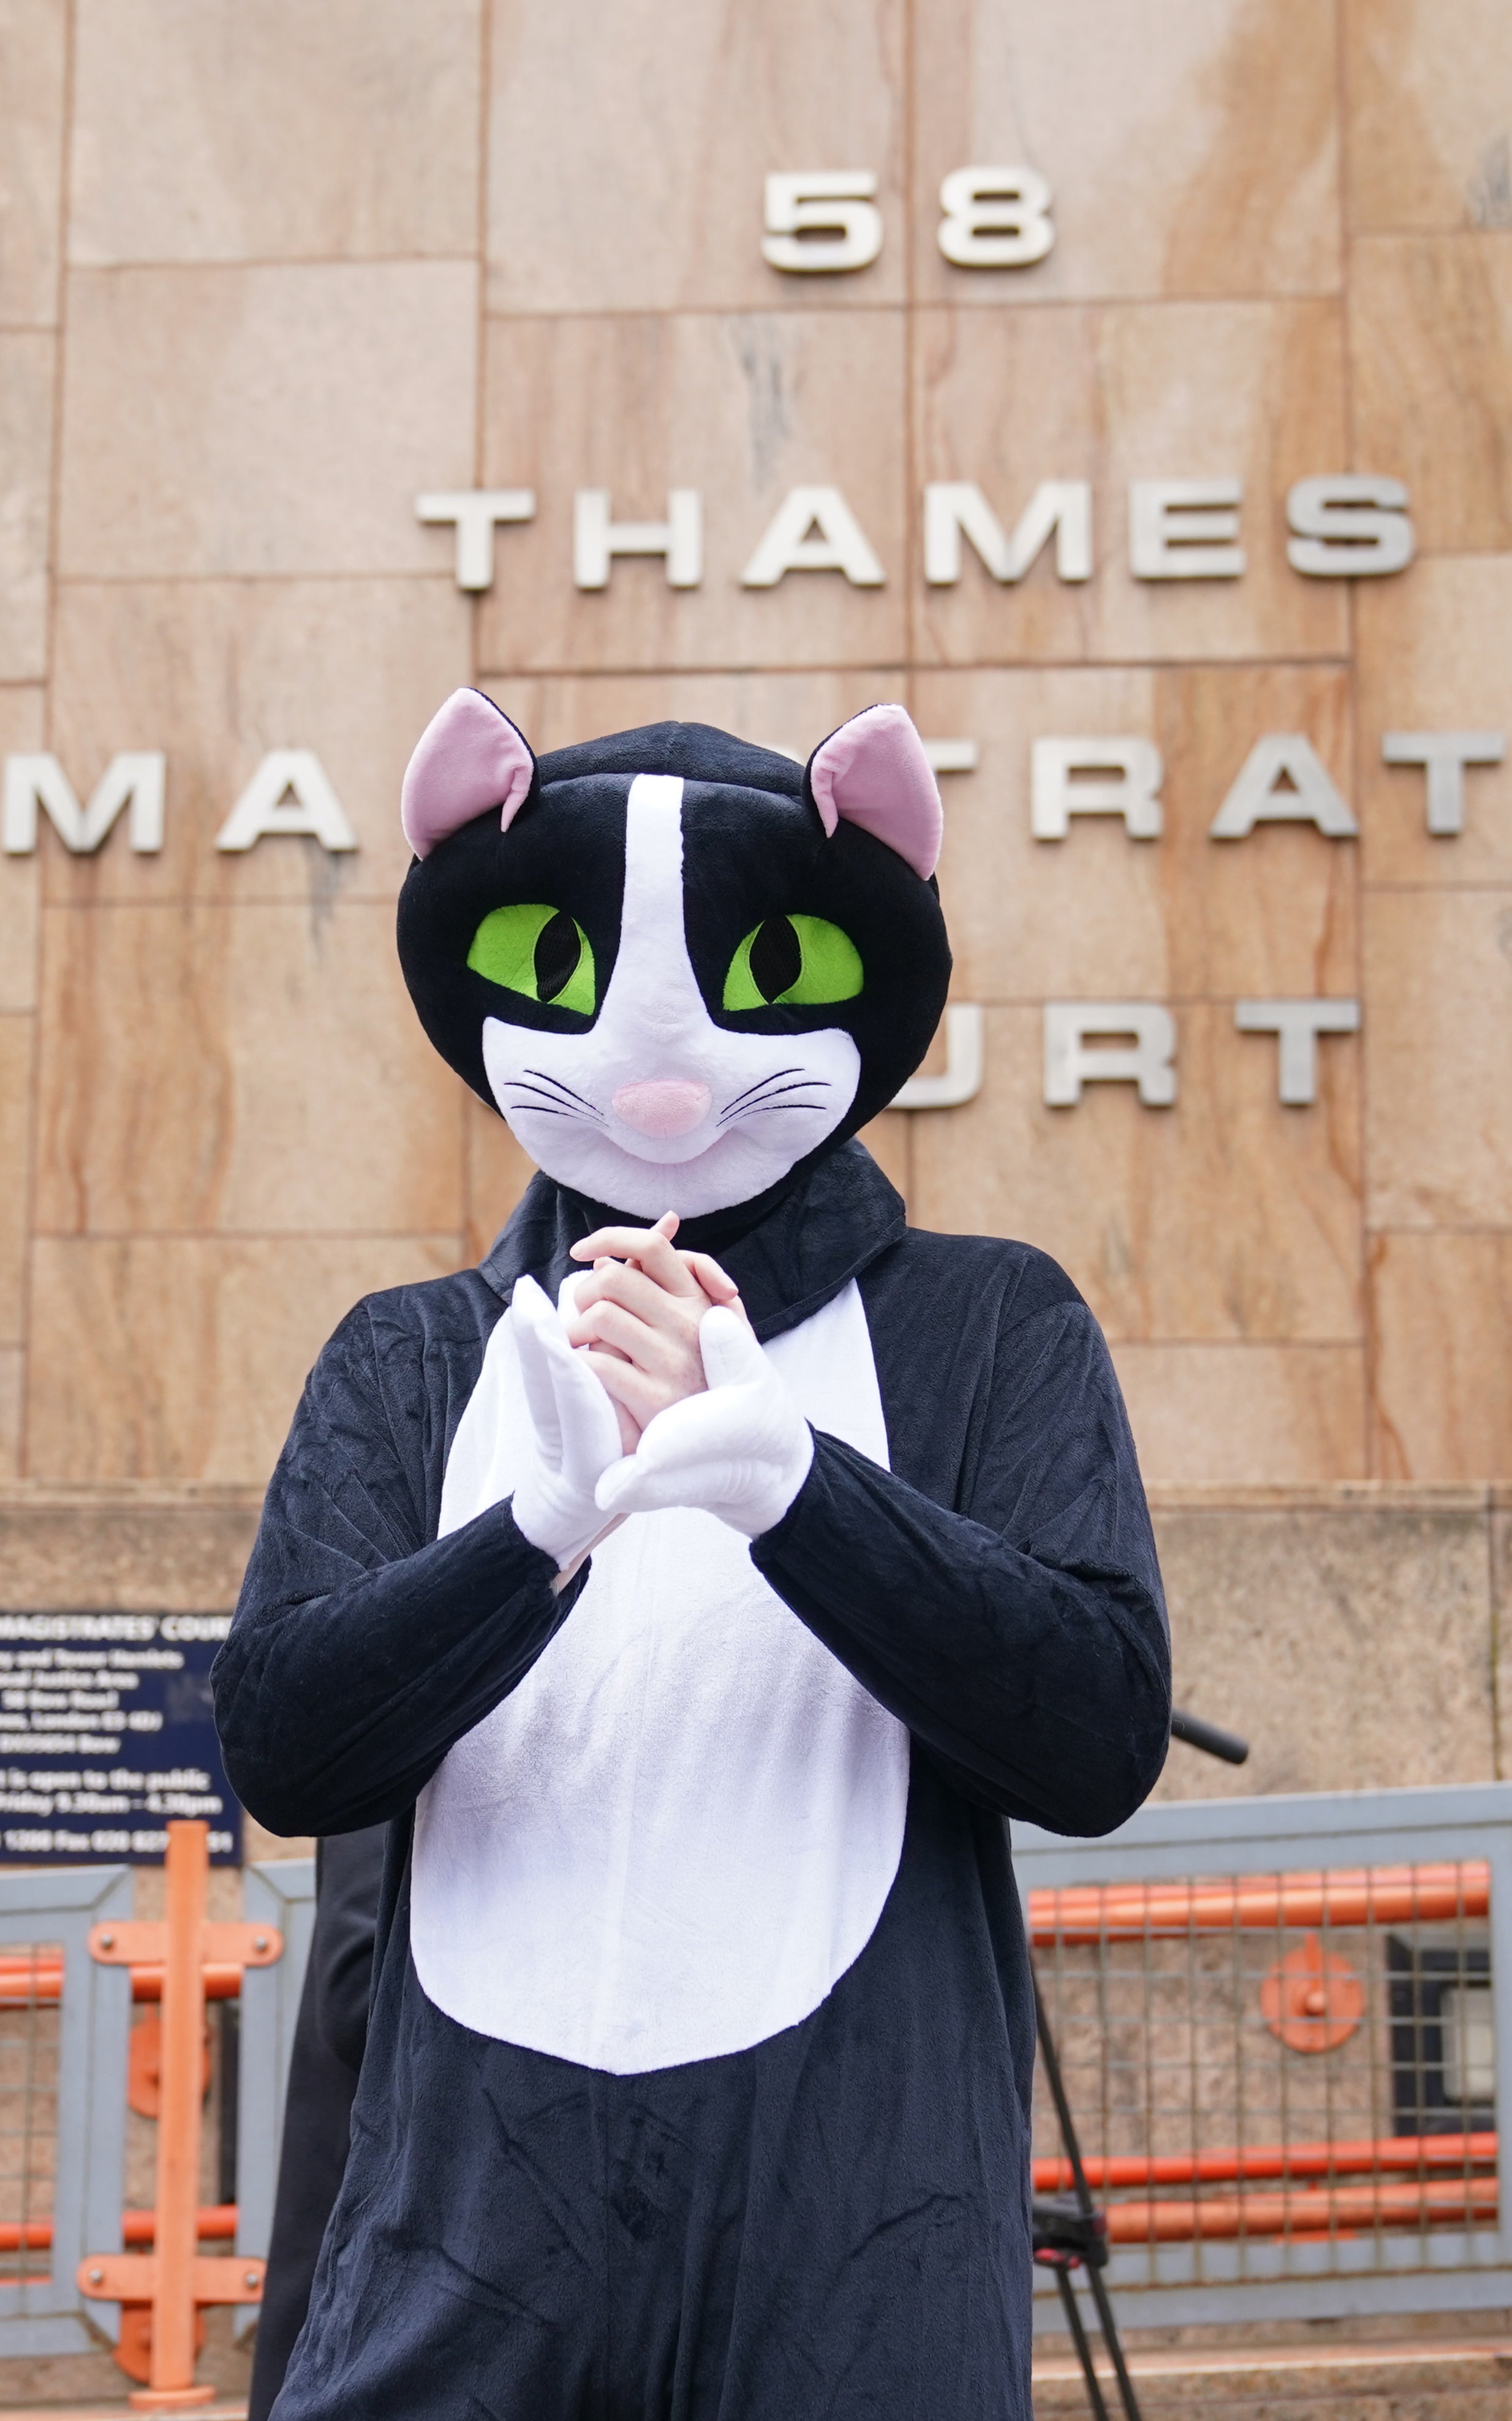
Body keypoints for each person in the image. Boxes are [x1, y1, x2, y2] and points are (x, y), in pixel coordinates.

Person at [214, 696, 1171, 2419]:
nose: (660, 1069)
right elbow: (288, 1745)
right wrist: (531, 1538)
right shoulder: (414, 1355)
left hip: (855, 2257)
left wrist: (800, 1490)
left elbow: (1095, 1733)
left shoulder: (982, 1324)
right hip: (464, 2257)